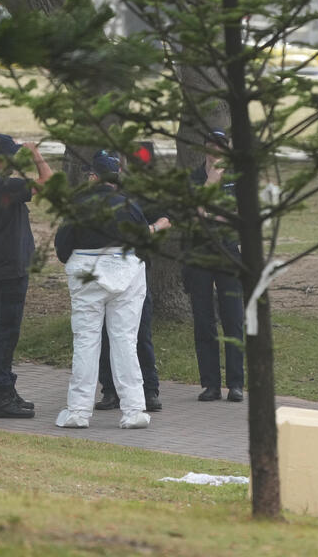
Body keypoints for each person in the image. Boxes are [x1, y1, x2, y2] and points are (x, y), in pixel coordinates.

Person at [53, 152, 151, 430]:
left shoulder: (78, 205)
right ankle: (134, 410)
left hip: (87, 274)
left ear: (94, 177)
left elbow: (62, 248)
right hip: (127, 272)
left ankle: (78, 411)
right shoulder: (130, 205)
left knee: (85, 341)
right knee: (124, 341)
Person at [0, 134, 53, 419]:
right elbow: (48, 183)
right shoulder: (1, 186)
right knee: (6, 332)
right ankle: (1, 395)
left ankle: (6, 389)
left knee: (3, 330)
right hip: (9, 270)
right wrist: (37, 155)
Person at [92, 151, 171, 413]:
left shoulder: (138, 196)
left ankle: (149, 390)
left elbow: (164, 219)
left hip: (135, 273)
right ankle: (110, 390)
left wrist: (151, 229)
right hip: (103, 271)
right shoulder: (91, 200)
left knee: (139, 333)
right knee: (105, 334)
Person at [184, 129, 245, 403]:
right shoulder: (195, 178)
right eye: (212, 145)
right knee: (203, 321)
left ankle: (236, 384)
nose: (216, 151)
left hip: (229, 254)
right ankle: (210, 384)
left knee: (233, 319)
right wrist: (210, 183)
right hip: (199, 255)